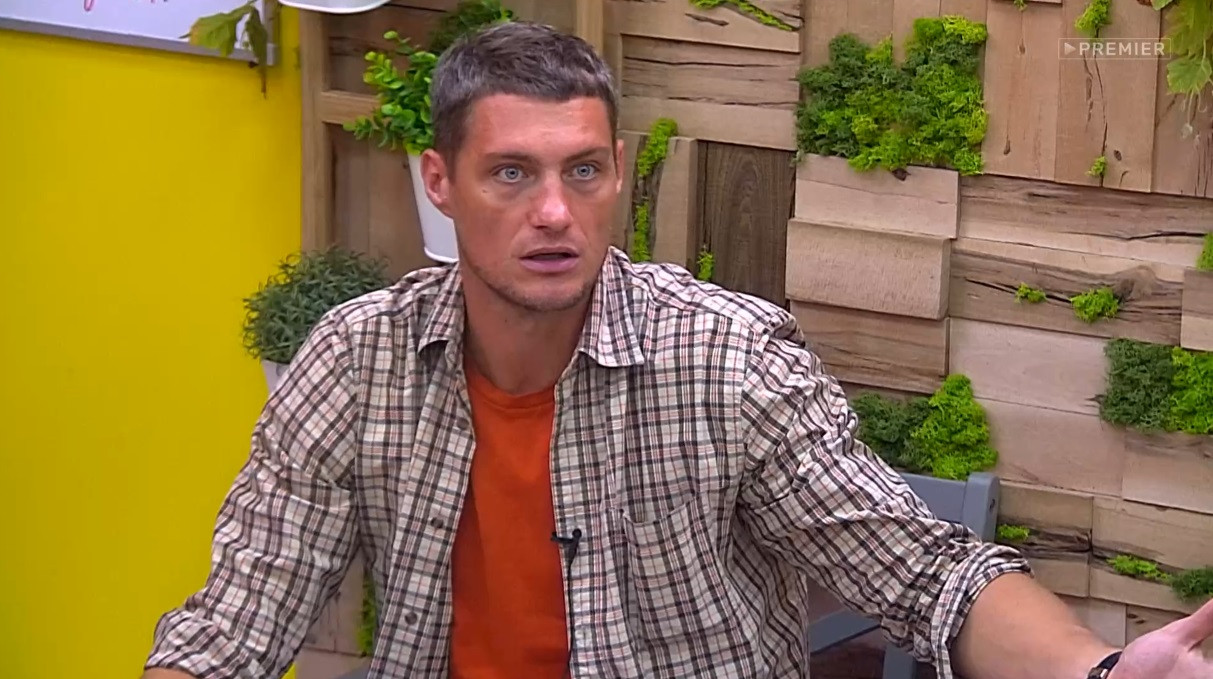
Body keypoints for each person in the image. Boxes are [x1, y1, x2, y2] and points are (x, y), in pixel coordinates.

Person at [142, 19, 1213, 679]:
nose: (554, 212)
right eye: (511, 173)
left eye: (582, 171)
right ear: (439, 183)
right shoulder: (357, 360)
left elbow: (924, 574)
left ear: (617, 172)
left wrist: (1097, 670)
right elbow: (236, 622)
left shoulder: (728, 360)